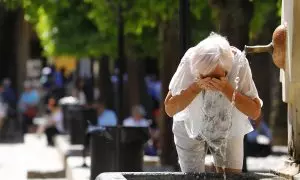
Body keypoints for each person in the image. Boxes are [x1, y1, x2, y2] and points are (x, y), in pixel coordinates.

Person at [164, 33, 262, 173]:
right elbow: (170, 108)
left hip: (228, 124)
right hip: (189, 124)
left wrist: (226, 88)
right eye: (204, 76)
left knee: (231, 176)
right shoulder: (190, 60)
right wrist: (196, 87)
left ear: (227, 70)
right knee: (193, 177)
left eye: (216, 77)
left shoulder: (238, 63)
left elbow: (255, 111)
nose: (210, 81)